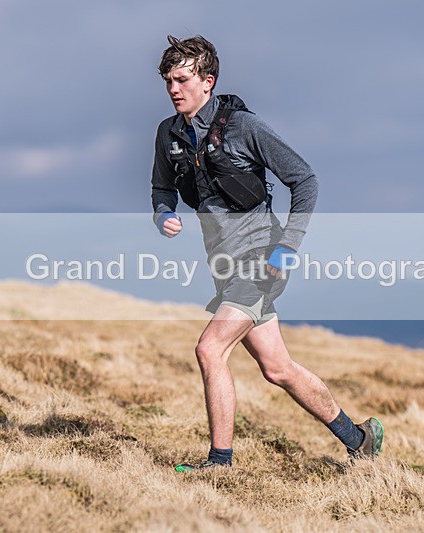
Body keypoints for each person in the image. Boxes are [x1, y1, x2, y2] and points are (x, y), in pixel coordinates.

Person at [150, 35, 383, 471]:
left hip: (262, 259)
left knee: (209, 349)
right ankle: (359, 439)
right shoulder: (168, 133)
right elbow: (161, 188)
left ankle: (220, 463)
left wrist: (287, 247)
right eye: (168, 82)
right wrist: (163, 214)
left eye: (182, 79)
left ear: (208, 81)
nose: (173, 89)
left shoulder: (244, 127)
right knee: (277, 367)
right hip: (222, 263)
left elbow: (305, 180)